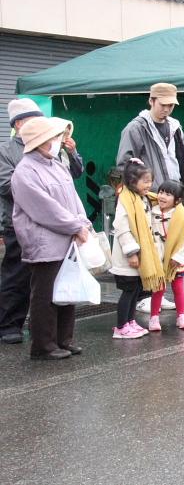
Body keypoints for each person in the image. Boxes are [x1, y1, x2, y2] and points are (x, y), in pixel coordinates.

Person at [11, 116, 91, 359]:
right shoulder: (25, 171)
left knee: (66, 291)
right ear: (39, 141)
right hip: (44, 242)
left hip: (66, 238)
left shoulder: (56, 164)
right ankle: (44, 346)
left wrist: (82, 223)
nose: (57, 141)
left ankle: (64, 339)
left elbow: (73, 197)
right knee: (45, 295)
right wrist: (75, 226)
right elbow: (46, 209)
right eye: (53, 138)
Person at [117, 83, 184, 312]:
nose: (167, 109)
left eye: (171, 105)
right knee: (149, 245)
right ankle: (145, 295)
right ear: (151, 101)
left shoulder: (176, 128)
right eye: (163, 104)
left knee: (169, 246)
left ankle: (157, 292)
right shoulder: (136, 128)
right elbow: (124, 165)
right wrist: (141, 191)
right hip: (149, 199)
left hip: (174, 197)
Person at [0, 99, 43, 344]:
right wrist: (37, 188)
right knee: (15, 273)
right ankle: (8, 324)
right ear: (18, 124)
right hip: (16, 222)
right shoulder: (6, 151)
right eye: (32, 120)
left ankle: (27, 320)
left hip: (43, 223)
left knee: (38, 276)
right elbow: (6, 185)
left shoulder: (42, 147)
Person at [109, 159, 161, 340]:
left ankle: (130, 322)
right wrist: (131, 252)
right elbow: (122, 228)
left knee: (136, 290)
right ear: (132, 181)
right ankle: (121, 326)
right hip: (127, 257)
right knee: (129, 290)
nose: (149, 185)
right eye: (145, 181)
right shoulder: (125, 199)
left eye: (150, 180)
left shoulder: (142, 199)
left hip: (139, 256)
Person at [149, 179, 184, 331]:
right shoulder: (151, 212)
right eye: (161, 192)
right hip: (158, 257)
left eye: (168, 194)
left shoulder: (182, 216)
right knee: (158, 288)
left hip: (175, 258)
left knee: (178, 287)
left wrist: (178, 257)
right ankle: (154, 318)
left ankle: (181, 315)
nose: (162, 196)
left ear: (177, 200)